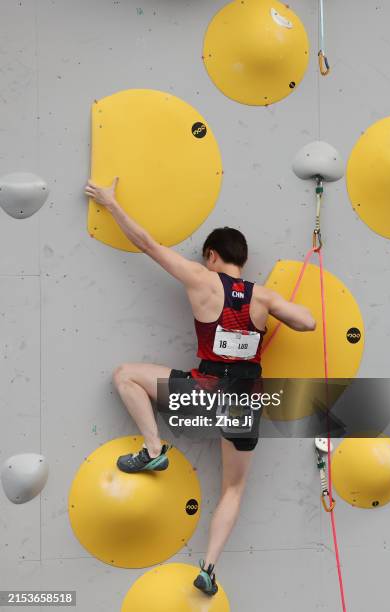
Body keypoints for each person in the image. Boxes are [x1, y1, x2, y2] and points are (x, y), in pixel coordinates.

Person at [84, 177, 316, 596]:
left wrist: (111, 203)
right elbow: (309, 322)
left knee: (126, 375)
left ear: (212, 256)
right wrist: (273, 312)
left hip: (204, 393)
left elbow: (147, 244)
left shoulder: (202, 279)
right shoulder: (263, 296)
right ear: (241, 259)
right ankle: (209, 568)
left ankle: (154, 449)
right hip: (245, 403)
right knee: (233, 487)